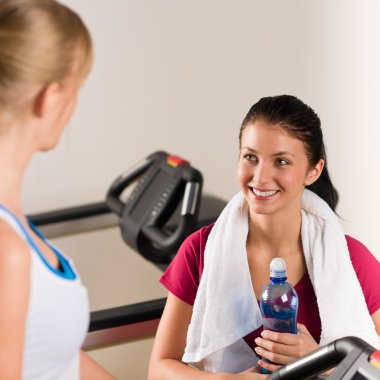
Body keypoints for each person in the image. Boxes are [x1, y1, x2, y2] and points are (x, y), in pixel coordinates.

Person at [147, 95, 380, 379]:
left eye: (281, 161)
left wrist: (323, 358)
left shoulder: (351, 261)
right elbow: (158, 370)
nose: (260, 177)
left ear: (313, 171)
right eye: (250, 157)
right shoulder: (200, 250)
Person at [0, 0, 115, 378]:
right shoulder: (6, 254)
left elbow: (54, 353)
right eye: (76, 87)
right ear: (50, 99)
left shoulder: (14, 222)